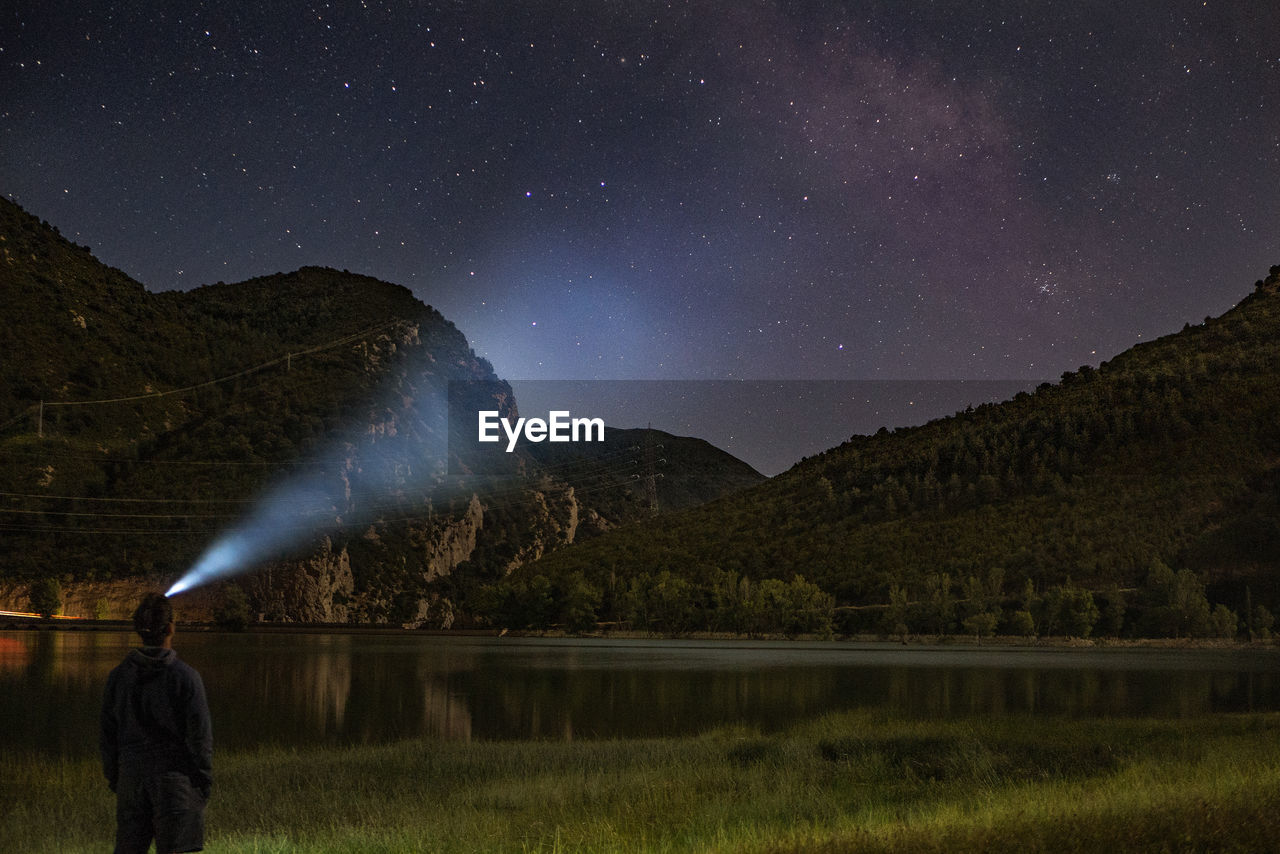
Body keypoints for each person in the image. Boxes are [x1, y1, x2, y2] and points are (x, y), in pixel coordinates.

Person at [101, 593, 213, 854]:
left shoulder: (118, 677)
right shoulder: (186, 677)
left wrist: (116, 776)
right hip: (175, 782)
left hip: (131, 779)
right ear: (171, 627)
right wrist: (203, 781)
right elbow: (200, 737)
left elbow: (107, 735)